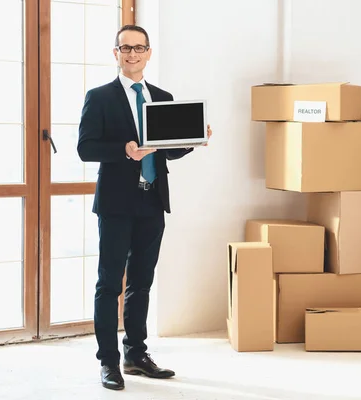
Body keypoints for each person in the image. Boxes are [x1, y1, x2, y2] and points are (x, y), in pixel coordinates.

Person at [77, 24, 212, 391]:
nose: (132, 54)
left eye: (139, 48)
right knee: (109, 284)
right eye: (125, 48)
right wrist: (124, 150)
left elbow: (169, 148)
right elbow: (86, 149)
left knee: (142, 282)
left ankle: (135, 354)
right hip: (117, 203)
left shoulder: (162, 96)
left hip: (152, 200)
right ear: (116, 53)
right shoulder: (100, 97)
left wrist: (195, 140)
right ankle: (108, 362)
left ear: (149, 52)